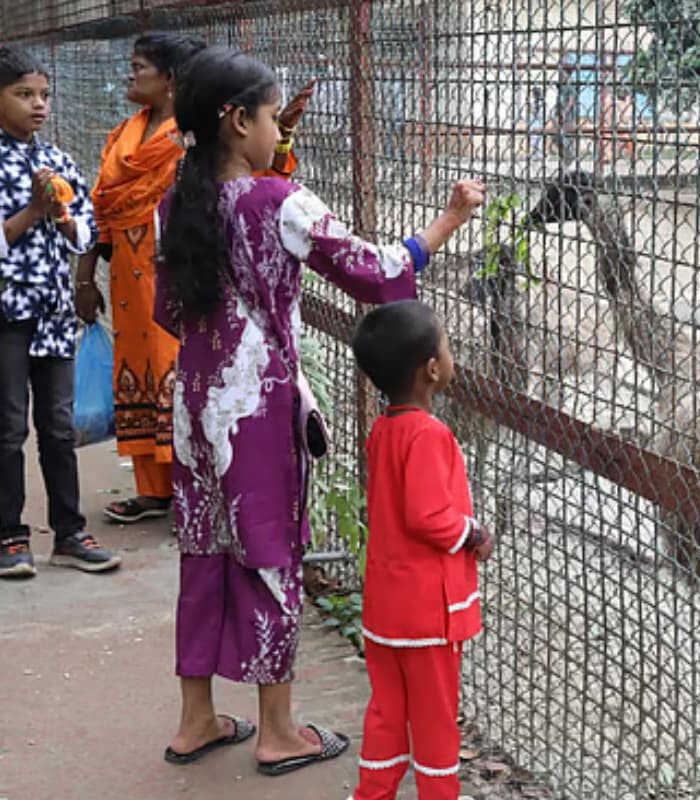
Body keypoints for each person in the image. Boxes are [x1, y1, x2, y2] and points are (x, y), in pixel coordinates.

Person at [152, 45, 485, 776]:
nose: (281, 133)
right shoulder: (279, 203)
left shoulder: (173, 204)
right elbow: (375, 274)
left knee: (204, 551)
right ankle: (277, 729)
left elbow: (170, 313)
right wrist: (448, 220)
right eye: (273, 118)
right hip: (260, 410)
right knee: (270, 553)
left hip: (196, 406)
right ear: (238, 122)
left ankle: (197, 717)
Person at [75, 33, 315, 525]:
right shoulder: (122, 135)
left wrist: (282, 132)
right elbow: (103, 203)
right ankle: (152, 489)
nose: (129, 74)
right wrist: (84, 277)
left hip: (175, 266)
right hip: (124, 272)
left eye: (138, 66)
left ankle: (190, 483)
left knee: (178, 368)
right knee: (138, 367)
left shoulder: (193, 140)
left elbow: (257, 175)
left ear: (169, 81)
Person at [349, 300, 494, 800]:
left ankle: (373, 793)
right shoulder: (430, 435)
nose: (452, 355)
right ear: (432, 369)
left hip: (386, 609)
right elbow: (428, 516)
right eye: (447, 347)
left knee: (387, 713)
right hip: (427, 616)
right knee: (435, 723)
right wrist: (473, 535)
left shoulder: (383, 430)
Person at [0, 46, 122, 578]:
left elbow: (86, 232)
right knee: (7, 428)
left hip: (52, 313)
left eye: (44, 95)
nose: (38, 105)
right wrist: (33, 210)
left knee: (57, 424)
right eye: (24, 94)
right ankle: (10, 536)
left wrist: (66, 217)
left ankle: (69, 533)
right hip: (7, 312)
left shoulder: (59, 160)